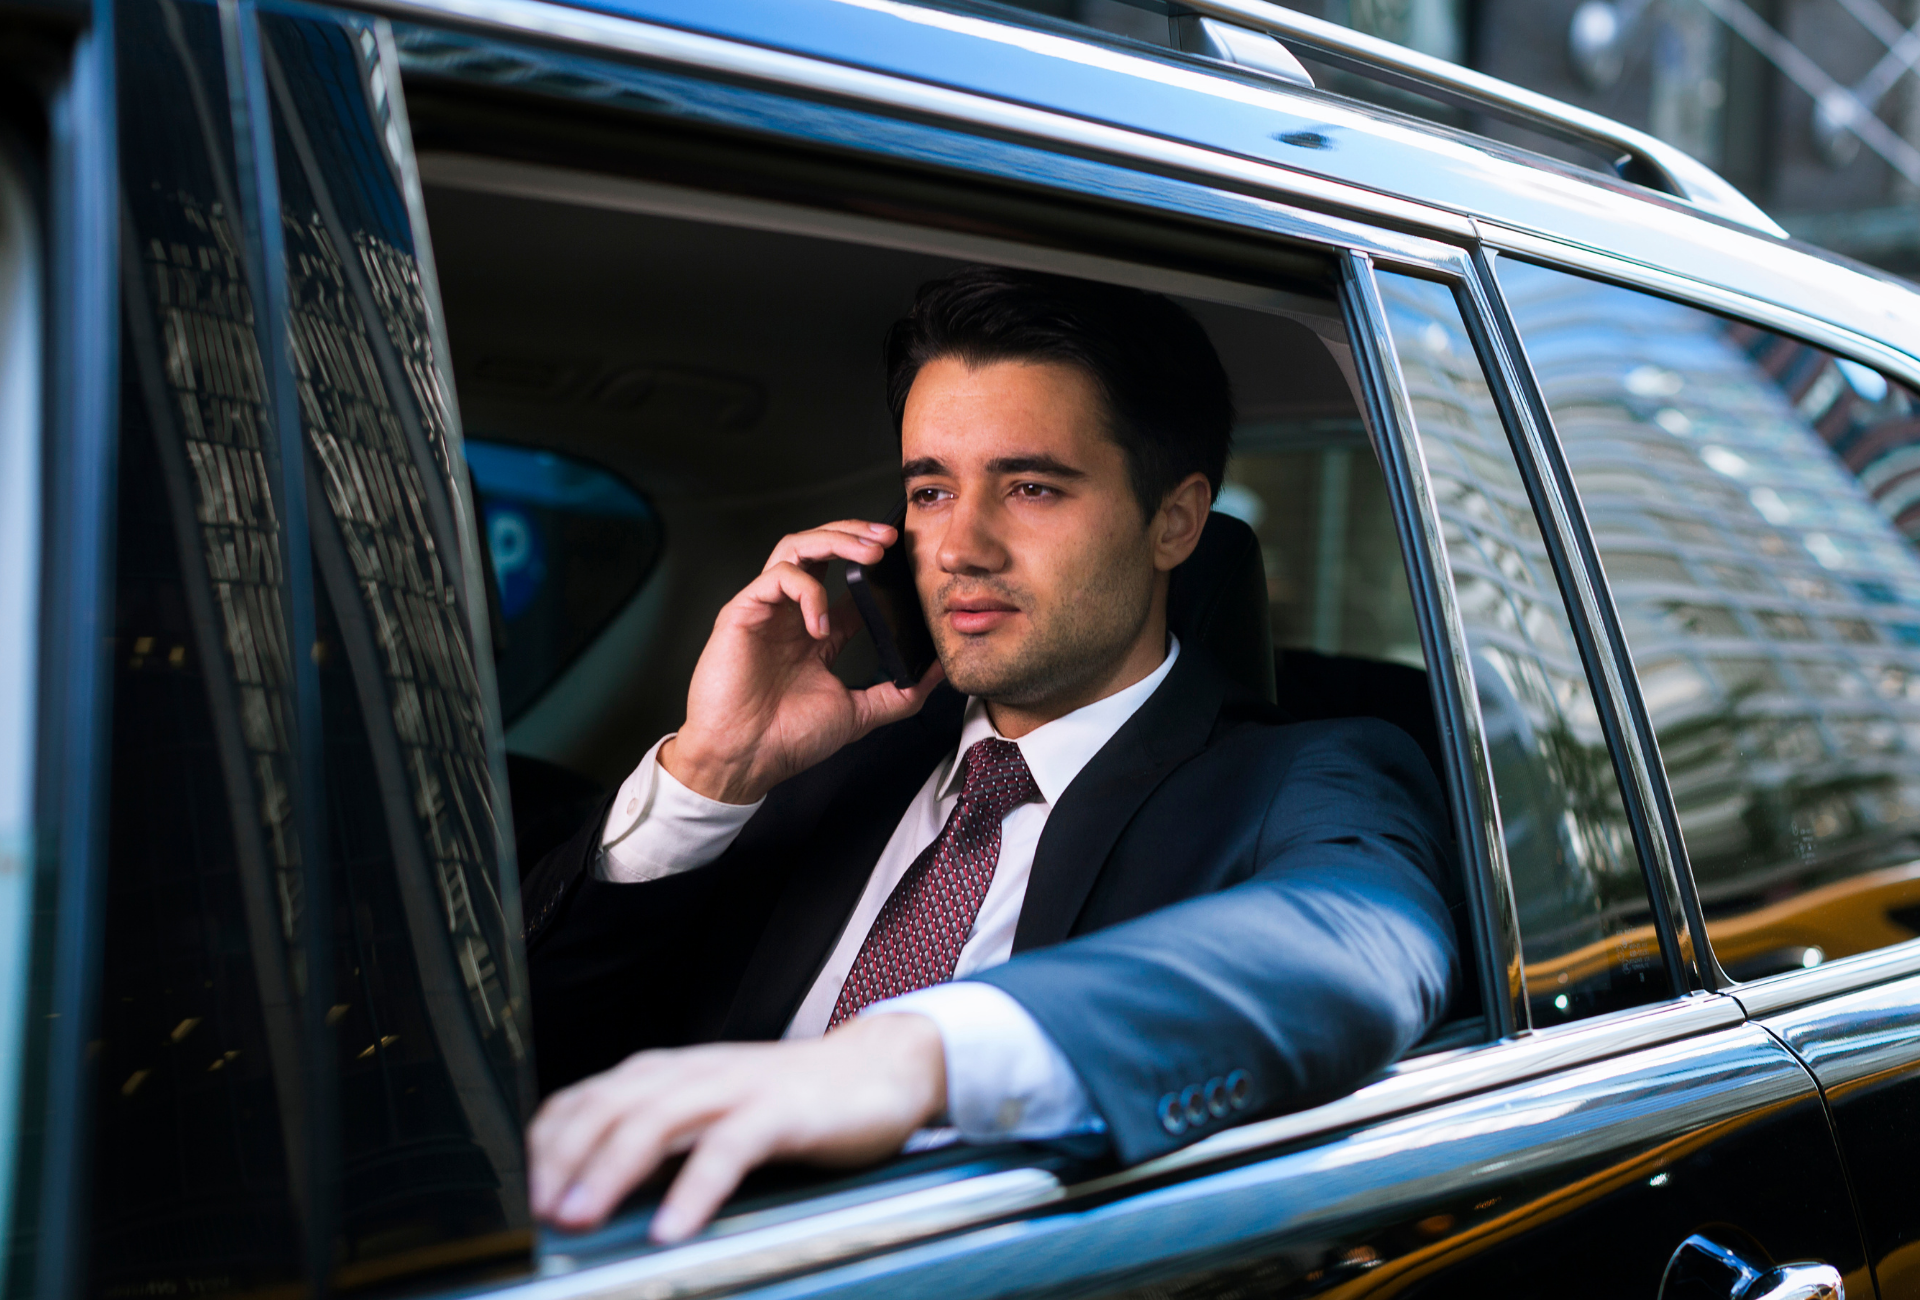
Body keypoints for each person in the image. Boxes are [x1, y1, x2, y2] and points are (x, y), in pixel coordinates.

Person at [519, 267, 1458, 1243]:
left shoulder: (1302, 774)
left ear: (1173, 521)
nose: (959, 545)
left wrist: (914, 1055)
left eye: (1032, 487)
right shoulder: (813, 769)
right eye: (931, 489)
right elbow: (518, 1064)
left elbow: (1359, 940)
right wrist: (709, 774)